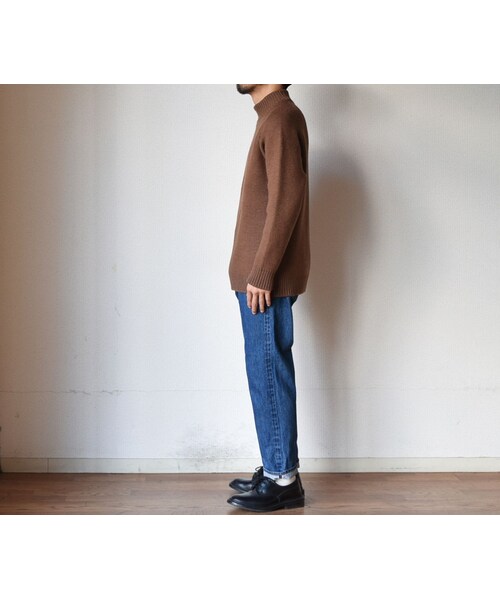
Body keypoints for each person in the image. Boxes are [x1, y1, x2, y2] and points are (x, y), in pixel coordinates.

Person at [227, 84, 310, 512]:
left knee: (267, 370)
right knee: (264, 370)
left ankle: (283, 479)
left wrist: (262, 272)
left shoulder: (280, 119)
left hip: (265, 281)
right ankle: (277, 466)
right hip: (260, 279)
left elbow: (286, 199)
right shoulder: (272, 118)